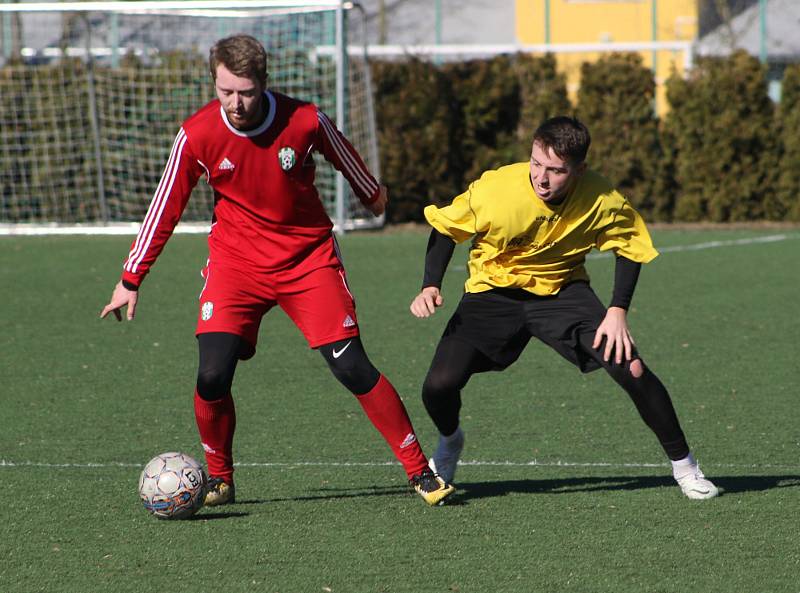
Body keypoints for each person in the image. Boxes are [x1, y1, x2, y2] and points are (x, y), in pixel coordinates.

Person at [101, 34, 453, 506]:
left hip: (308, 260)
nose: (236, 102)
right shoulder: (197, 134)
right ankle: (220, 479)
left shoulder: (303, 119)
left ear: (263, 84)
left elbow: (343, 154)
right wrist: (130, 279)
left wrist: (371, 194)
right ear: (215, 82)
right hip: (236, 264)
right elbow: (165, 206)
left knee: (351, 366)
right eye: (225, 91)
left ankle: (418, 470)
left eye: (245, 92)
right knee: (211, 375)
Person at [410, 116, 718, 500]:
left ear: (578, 170)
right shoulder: (495, 189)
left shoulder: (601, 198)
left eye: (556, 170)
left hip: (562, 291)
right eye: (536, 163)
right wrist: (430, 284)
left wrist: (617, 310)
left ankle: (686, 468)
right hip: (494, 291)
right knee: (437, 387)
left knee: (631, 366)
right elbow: (445, 228)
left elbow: (629, 245)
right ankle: (451, 439)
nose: (541, 177)